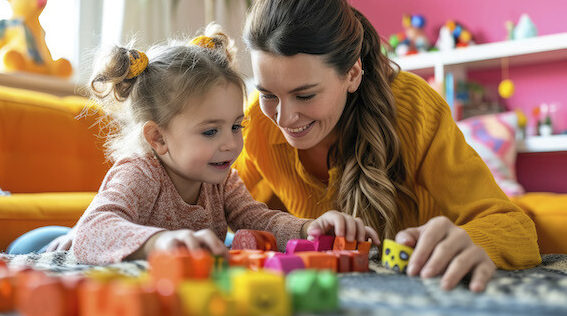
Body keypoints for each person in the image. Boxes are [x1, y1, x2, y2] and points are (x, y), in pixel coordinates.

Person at [234, 0, 541, 292]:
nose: (283, 118)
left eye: (305, 95)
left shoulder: (416, 109)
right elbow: (220, 205)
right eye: (267, 94)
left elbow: (517, 230)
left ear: (351, 74)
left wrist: (472, 240)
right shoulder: (257, 122)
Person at [67, 24, 379, 265]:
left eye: (235, 126)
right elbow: (92, 229)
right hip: (50, 242)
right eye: (210, 132)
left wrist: (309, 228)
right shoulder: (141, 173)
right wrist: (157, 243)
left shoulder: (222, 180)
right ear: (158, 138)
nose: (230, 144)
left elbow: (260, 219)